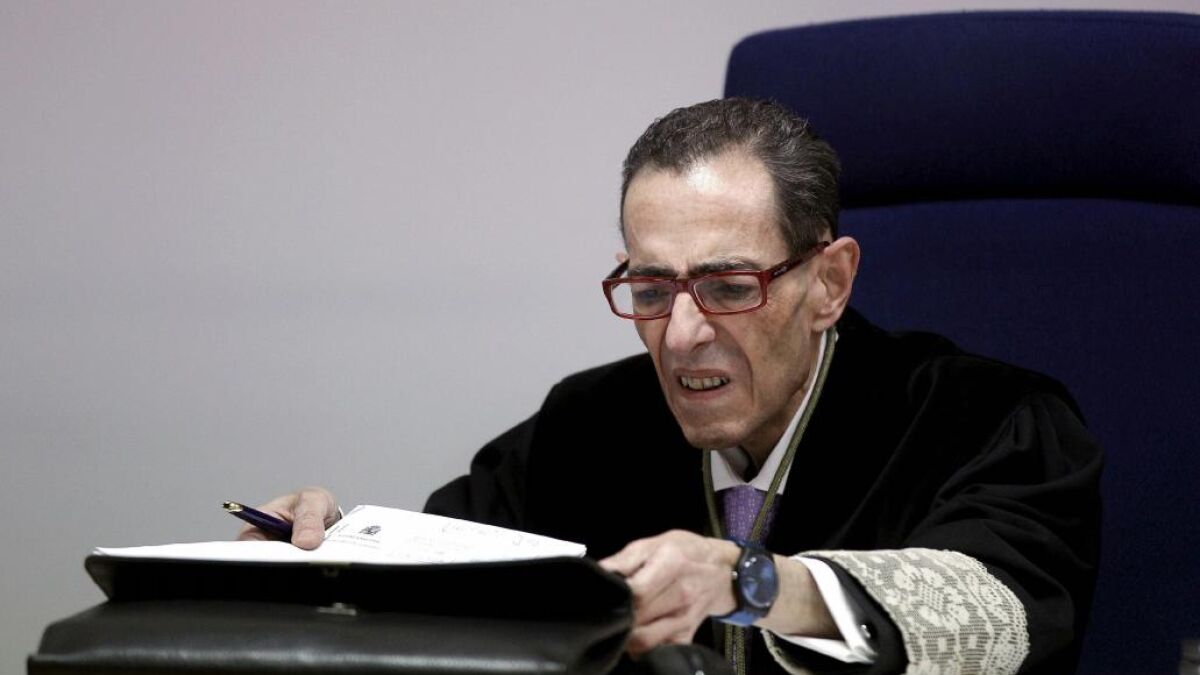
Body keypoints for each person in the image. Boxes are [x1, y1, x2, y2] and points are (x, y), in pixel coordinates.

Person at [242, 98, 1102, 674]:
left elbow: (998, 616)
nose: (682, 333)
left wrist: (751, 581)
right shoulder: (589, 421)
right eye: (652, 289)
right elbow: (450, 568)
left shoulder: (991, 420)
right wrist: (328, 548)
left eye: (729, 285)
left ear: (830, 282)